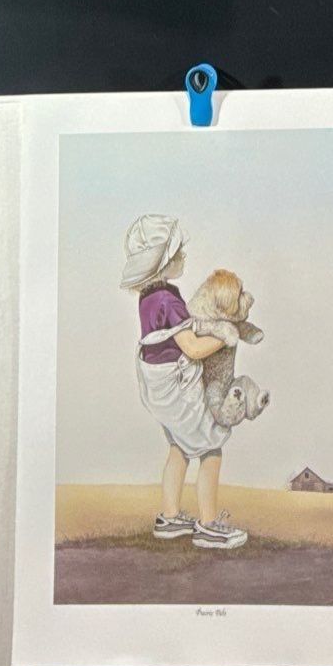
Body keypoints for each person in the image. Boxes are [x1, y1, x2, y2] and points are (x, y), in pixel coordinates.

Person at [121, 213, 249, 550]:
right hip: (178, 387)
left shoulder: (150, 297)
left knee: (179, 446)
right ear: (163, 262)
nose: (184, 256)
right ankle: (208, 525)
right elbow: (191, 348)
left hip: (157, 389)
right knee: (211, 447)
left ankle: (169, 517)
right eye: (178, 252)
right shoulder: (169, 300)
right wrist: (225, 336)